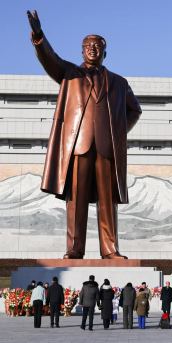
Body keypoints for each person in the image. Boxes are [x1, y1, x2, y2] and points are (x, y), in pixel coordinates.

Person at [26, 10, 141, 260]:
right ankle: (75, 248)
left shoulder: (119, 83)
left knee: (107, 201)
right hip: (78, 145)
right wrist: (38, 35)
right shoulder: (69, 73)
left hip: (106, 148)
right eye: (88, 45)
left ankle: (110, 250)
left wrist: (118, 133)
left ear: (104, 52)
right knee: (75, 200)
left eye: (97, 45)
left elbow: (135, 111)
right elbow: (49, 59)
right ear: (81, 51)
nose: (92, 48)